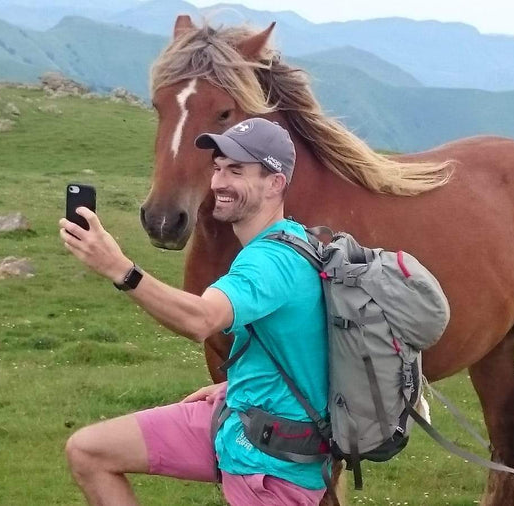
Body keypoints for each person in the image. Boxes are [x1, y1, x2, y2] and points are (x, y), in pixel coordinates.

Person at [58, 118, 329, 505]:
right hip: (239, 414)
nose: (218, 181)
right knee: (88, 451)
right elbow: (303, 343)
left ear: (275, 183)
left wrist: (120, 269)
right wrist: (236, 384)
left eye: (237, 170)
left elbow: (201, 319)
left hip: (271, 465)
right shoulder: (294, 240)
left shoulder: (270, 261)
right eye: (217, 167)